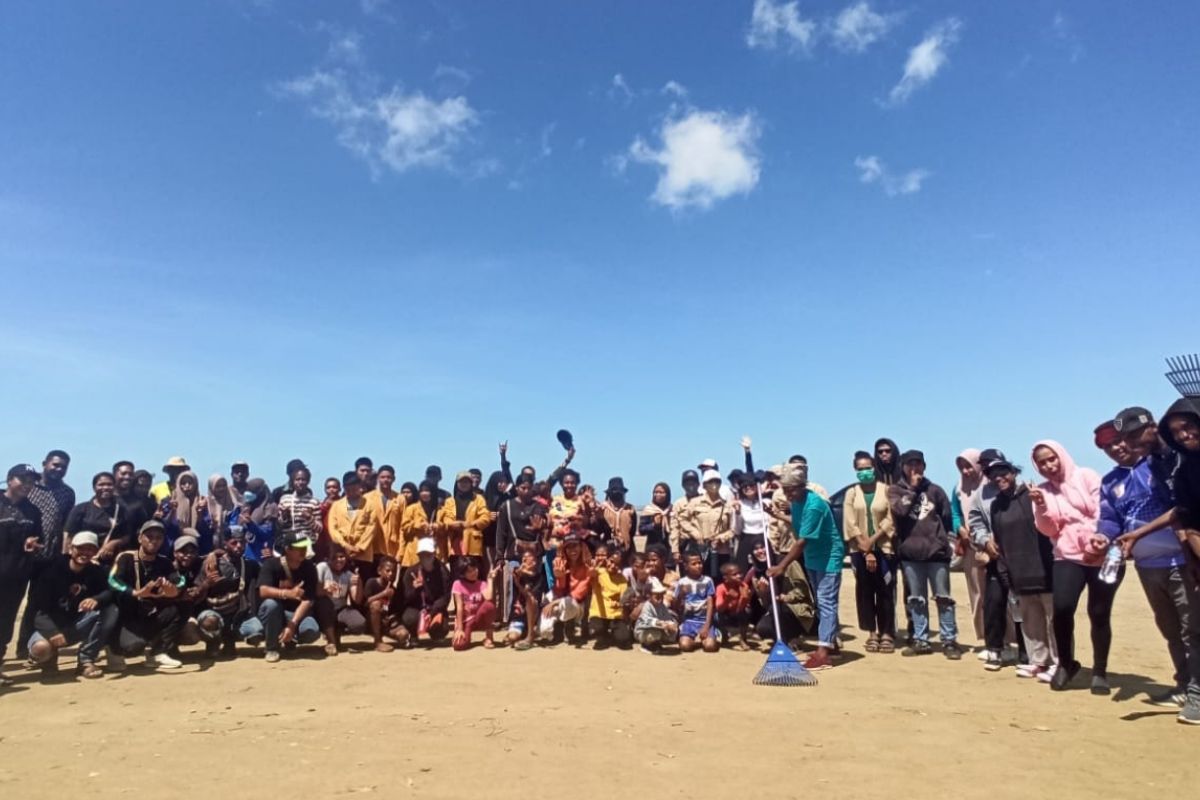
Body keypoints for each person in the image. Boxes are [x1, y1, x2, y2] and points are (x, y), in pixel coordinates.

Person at [1100, 407, 1197, 710]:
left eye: (1130, 437)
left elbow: (1182, 507)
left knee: (1192, 628)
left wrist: (1185, 545)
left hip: (1181, 560)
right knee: (1170, 629)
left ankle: (1197, 692)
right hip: (1147, 566)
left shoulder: (1173, 460)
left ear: (1152, 427)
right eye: (1117, 442)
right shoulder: (1115, 479)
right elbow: (1110, 518)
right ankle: (1184, 685)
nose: (1125, 445)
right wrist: (1105, 536)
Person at [1029, 439, 1117, 694]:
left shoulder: (1087, 476)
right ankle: (1066, 663)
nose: (1048, 465)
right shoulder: (1043, 491)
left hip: (1101, 551)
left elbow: (1103, 512)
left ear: (1061, 456)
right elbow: (1048, 529)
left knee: (1099, 612)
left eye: (1051, 458)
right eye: (1042, 462)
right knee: (1063, 608)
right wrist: (1041, 505)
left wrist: (1093, 546)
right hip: (1067, 555)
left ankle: (1100, 671)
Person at [985, 454, 1057, 682]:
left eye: (1003, 473)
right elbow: (1000, 540)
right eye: (993, 476)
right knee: (1030, 620)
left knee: (1055, 619)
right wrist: (1005, 570)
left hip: (1045, 568)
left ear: (1014, 473)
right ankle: (1038, 661)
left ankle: (1060, 662)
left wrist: (1041, 502)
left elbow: (1050, 523)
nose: (999, 479)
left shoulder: (1032, 494)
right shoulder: (996, 505)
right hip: (1018, 571)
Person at [767, 463, 844, 670]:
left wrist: (782, 566)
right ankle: (831, 642)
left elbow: (802, 541)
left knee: (827, 602)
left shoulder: (815, 505)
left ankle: (824, 653)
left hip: (829, 558)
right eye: (785, 490)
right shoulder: (798, 503)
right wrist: (777, 516)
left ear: (802, 486)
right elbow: (798, 522)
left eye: (791, 489)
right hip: (813, 558)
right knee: (821, 601)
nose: (787, 494)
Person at [888, 450, 962, 659]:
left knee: (944, 598)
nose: (915, 469)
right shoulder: (895, 491)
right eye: (910, 465)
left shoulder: (935, 490)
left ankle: (949, 640)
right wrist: (911, 488)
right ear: (902, 467)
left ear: (924, 466)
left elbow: (947, 519)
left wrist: (941, 541)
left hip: (936, 554)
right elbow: (900, 512)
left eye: (918, 464)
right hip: (911, 554)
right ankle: (921, 639)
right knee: (916, 599)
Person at [27, 531, 118, 679]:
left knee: (110, 610)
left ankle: (85, 661)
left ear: (95, 552)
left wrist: (97, 599)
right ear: (71, 548)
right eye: (80, 548)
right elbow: (38, 612)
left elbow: (109, 592)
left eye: (90, 549)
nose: (85, 553)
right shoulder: (51, 572)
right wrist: (53, 632)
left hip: (76, 626)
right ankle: (48, 662)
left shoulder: (96, 572)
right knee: (41, 649)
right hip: (50, 628)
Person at [970, 449, 1023, 670]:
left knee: (1022, 605)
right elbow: (975, 521)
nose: (996, 476)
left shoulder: (1025, 491)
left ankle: (1026, 651)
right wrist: (985, 541)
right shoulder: (980, 494)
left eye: (999, 469)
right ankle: (995, 648)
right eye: (987, 469)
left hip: (1022, 558)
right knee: (993, 602)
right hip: (994, 556)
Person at [107, 520, 185, 670]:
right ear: (140, 538)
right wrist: (136, 593)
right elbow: (112, 581)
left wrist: (173, 591)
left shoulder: (164, 562)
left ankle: (157, 653)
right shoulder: (126, 558)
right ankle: (113, 648)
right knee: (133, 647)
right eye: (149, 536)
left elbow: (180, 581)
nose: (154, 541)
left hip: (147, 613)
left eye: (158, 537)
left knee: (180, 607)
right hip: (126, 615)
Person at [842, 451, 897, 654]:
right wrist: (864, 547)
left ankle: (887, 633)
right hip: (859, 550)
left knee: (885, 591)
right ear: (855, 470)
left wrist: (873, 542)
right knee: (865, 592)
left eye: (868, 468)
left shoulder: (887, 490)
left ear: (874, 467)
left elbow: (891, 519)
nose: (865, 472)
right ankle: (871, 633)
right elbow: (849, 521)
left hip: (884, 549)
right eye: (861, 469)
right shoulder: (852, 493)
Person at [241, 532, 322, 663]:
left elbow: (308, 599)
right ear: (288, 549)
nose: (303, 551)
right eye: (299, 548)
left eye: (305, 547)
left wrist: (292, 624)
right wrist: (287, 593)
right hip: (272, 615)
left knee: (311, 630)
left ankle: (291, 640)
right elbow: (263, 591)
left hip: (295, 614)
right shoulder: (271, 564)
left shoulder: (309, 568)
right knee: (271, 605)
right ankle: (271, 648)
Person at [1, 464, 43, 684]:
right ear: (9, 480)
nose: (28, 485)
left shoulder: (32, 511)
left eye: (31, 482)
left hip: (16, 577)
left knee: (5, 622)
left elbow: (38, 538)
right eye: (23, 480)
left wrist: (32, 544)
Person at [197, 524, 258, 659]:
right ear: (225, 544)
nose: (239, 546)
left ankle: (230, 642)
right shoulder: (211, 564)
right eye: (234, 542)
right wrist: (206, 584)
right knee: (209, 621)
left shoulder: (249, 565)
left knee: (256, 631)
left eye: (242, 542)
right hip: (214, 611)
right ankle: (213, 643)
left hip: (238, 614)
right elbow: (196, 592)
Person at [952, 449, 988, 647]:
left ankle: (1009, 640)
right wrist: (959, 528)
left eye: (969, 466)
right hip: (971, 547)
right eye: (962, 467)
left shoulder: (991, 485)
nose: (966, 471)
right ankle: (986, 638)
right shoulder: (958, 488)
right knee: (977, 594)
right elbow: (955, 512)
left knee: (1001, 595)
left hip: (992, 545)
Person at [64, 472, 136, 566]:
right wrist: (65, 559)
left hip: (107, 561)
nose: (105, 487)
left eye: (109, 484)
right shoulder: (81, 509)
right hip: (82, 559)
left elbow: (127, 535)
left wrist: (113, 544)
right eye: (101, 484)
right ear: (94, 488)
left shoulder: (121, 510)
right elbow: (68, 535)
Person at [676, 470, 734, 580]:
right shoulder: (695, 502)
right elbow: (682, 519)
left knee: (719, 579)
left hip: (720, 550)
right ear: (704, 485)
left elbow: (733, 529)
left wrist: (721, 538)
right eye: (710, 482)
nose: (714, 485)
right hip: (699, 549)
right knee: (699, 578)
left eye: (717, 482)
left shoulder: (726, 505)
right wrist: (695, 533)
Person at [539, 534, 591, 644]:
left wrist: (553, 604)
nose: (572, 550)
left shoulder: (587, 566)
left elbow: (576, 596)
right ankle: (558, 625)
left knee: (568, 603)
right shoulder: (559, 562)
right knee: (544, 632)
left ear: (581, 547)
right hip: (560, 598)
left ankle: (568, 624)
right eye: (569, 547)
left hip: (576, 605)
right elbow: (559, 589)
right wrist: (560, 577)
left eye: (575, 546)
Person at [399, 538, 452, 646]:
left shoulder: (443, 571)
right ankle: (413, 635)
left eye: (429, 554)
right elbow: (404, 599)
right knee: (409, 618)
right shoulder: (411, 572)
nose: (426, 557)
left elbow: (446, 597)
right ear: (418, 556)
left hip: (435, 607)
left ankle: (436, 634)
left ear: (434, 554)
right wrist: (414, 589)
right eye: (422, 555)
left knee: (442, 627)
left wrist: (432, 612)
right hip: (417, 608)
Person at [315, 546, 366, 655]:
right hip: (322, 610)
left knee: (359, 623)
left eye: (341, 557)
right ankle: (331, 642)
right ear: (328, 558)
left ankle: (336, 632)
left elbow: (357, 600)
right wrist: (326, 590)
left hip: (340, 609)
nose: (339, 560)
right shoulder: (322, 567)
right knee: (324, 604)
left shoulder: (348, 574)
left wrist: (359, 582)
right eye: (334, 557)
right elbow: (316, 592)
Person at [326, 471, 378, 578]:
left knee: (362, 586)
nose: (351, 491)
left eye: (354, 488)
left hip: (363, 555)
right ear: (344, 488)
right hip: (341, 555)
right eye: (348, 488)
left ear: (360, 487)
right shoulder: (336, 505)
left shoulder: (370, 505)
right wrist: (345, 546)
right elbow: (333, 529)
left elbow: (371, 527)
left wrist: (360, 548)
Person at [26, 450, 74, 561]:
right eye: (55, 465)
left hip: (49, 554)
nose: (59, 469)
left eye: (64, 467)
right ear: (44, 464)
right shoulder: (28, 484)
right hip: (21, 549)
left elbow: (66, 525)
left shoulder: (67, 493)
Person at [588, 543, 632, 649]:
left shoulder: (622, 580)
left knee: (623, 641)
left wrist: (620, 603)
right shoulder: (599, 573)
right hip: (598, 613)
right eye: (611, 562)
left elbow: (624, 599)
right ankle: (603, 635)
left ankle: (614, 633)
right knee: (596, 632)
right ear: (607, 560)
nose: (613, 566)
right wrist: (593, 570)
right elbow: (591, 574)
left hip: (615, 615)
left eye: (617, 564)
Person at [451, 557, 500, 651]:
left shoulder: (481, 584)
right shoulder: (457, 584)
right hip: (466, 620)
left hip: (478, 618)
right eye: (469, 571)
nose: (474, 572)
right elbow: (459, 607)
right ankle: (465, 634)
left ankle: (489, 637)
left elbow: (489, 597)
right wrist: (459, 628)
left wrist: (490, 579)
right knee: (459, 645)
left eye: (474, 569)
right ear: (463, 573)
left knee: (489, 606)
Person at [675, 552, 719, 653]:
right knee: (685, 646)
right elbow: (676, 606)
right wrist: (681, 594)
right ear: (686, 566)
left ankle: (713, 635)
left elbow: (710, 604)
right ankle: (693, 639)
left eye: (699, 563)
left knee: (710, 647)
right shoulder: (682, 582)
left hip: (704, 620)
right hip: (689, 621)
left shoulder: (707, 581)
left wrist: (707, 625)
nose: (698, 566)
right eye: (694, 564)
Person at [441, 471, 489, 561]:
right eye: (461, 482)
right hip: (454, 543)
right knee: (455, 572)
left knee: (473, 572)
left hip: (473, 544)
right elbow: (446, 518)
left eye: (467, 482)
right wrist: (453, 524)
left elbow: (485, 517)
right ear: (457, 484)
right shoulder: (449, 501)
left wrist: (469, 524)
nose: (464, 484)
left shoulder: (479, 499)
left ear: (471, 484)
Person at [279, 467, 324, 560]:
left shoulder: (314, 502)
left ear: (308, 481)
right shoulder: (285, 500)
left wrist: (309, 518)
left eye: (303, 480)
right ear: (293, 481)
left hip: (306, 546)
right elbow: (279, 525)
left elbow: (319, 529)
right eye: (297, 479)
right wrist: (284, 516)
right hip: (289, 545)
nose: (300, 482)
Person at [363, 555, 406, 652]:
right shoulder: (372, 582)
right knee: (376, 604)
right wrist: (383, 594)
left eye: (394, 571)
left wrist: (392, 618)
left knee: (403, 635)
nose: (391, 574)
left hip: (386, 622)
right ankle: (378, 641)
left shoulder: (394, 588)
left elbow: (396, 609)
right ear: (379, 571)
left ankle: (387, 634)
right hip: (372, 620)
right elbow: (366, 603)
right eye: (388, 571)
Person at [507, 549, 547, 651]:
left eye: (528, 557)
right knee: (512, 638)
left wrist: (519, 585)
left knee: (531, 599)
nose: (524, 559)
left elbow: (531, 597)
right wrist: (518, 577)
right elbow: (516, 571)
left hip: (533, 614)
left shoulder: (540, 577)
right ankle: (521, 632)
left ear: (535, 561)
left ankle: (530, 635)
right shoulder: (518, 574)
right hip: (518, 615)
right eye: (523, 558)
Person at [164, 470, 212, 553]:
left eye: (190, 483)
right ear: (178, 484)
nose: (187, 486)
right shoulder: (169, 501)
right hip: (174, 547)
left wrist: (199, 515)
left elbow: (206, 530)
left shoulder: (202, 502)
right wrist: (172, 511)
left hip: (197, 547)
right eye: (183, 483)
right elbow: (164, 525)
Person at [732, 474, 770, 573]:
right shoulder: (739, 504)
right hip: (746, 538)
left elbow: (770, 524)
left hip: (764, 537)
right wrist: (737, 513)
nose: (748, 488)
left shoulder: (766, 502)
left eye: (751, 485)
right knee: (743, 570)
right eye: (745, 487)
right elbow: (737, 530)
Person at [597, 478, 637, 561]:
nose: (616, 493)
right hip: (608, 549)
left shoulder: (630, 509)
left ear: (623, 492)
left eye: (619, 491)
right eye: (614, 491)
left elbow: (632, 531)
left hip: (627, 550)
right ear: (609, 493)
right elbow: (599, 530)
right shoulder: (602, 509)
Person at [634, 578, 678, 654]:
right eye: (656, 595)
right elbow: (647, 619)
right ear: (649, 595)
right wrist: (661, 623)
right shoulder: (647, 605)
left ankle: (656, 645)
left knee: (671, 633)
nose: (659, 598)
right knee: (655, 634)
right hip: (642, 631)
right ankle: (646, 645)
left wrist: (671, 625)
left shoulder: (662, 606)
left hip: (658, 629)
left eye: (661, 595)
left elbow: (668, 618)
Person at [715, 562, 752, 650]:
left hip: (737, 612)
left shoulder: (743, 586)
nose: (739, 576)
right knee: (716, 616)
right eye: (735, 574)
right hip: (725, 613)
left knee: (747, 612)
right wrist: (727, 599)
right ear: (725, 577)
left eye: (740, 573)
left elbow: (741, 608)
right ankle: (724, 635)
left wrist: (744, 598)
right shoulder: (721, 588)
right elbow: (719, 608)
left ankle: (743, 638)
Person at [668, 470, 701, 565]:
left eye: (693, 483)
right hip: (685, 544)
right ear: (683, 486)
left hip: (702, 544)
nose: (691, 486)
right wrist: (675, 550)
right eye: (687, 483)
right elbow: (674, 528)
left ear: (698, 484)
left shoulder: (705, 500)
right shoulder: (678, 504)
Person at [206, 473, 241, 550]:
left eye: (224, 485)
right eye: (218, 486)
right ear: (211, 487)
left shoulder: (232, 505)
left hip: (229, 547)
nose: (221, 488)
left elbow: (234, 526)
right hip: (207, 546)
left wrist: (222, 526)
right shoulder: (205, 504)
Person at [639, 483, 672, 552]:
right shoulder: (649, 510)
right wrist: (654, 525)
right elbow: (641, 530)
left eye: (661, 492)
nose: (657, 495)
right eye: (655, 492)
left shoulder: (672, 509)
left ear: (667, 494)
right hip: (652, 547)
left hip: (669, 547)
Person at [317, 477, 341, 561]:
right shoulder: (321, 505)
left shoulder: (344, 504)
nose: (331, 490)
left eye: (334, 487)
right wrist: (324, 507)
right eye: (328, 487)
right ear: (325, 490)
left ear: (339, 489)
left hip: (339, 541)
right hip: (324, 542)